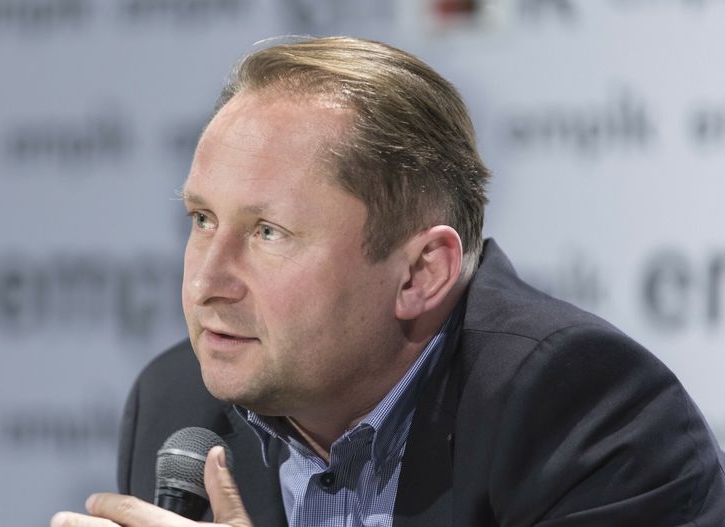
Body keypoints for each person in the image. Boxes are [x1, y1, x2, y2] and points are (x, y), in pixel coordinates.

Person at [51, 36, 725, 527]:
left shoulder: (576, 407)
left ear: (420, 274)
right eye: (202, 219)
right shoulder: (178, 407)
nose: (206, 281)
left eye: (268, 233)